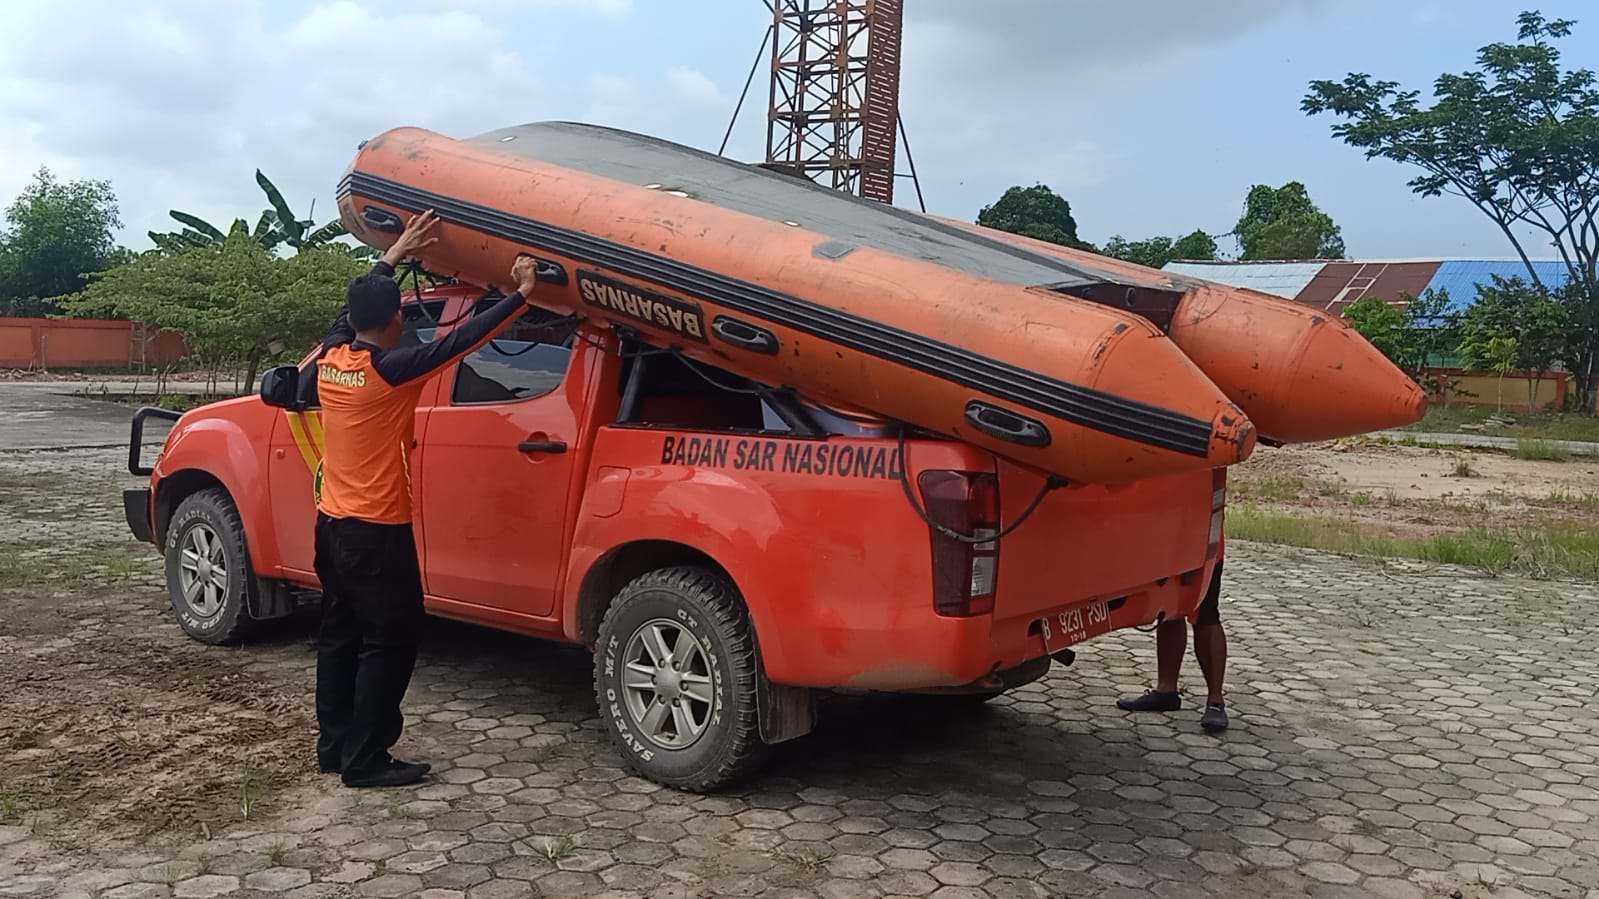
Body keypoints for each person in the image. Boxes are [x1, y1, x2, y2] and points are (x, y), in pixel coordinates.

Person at [313, 210, 543, 787]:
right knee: (390, 640)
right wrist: (521, 295)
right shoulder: (392, 370)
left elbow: (351, 311)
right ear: (394, 319)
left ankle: (336, 746)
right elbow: (463, 339)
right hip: (375, 531)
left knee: (341, 636)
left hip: (332, 527)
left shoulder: (331, 356)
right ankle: (366, 760)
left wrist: (391, 257)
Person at [1116, 559, 1229, 733]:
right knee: (1170, 609)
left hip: (1204, 546)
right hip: (1169, 547)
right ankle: (1166, 691)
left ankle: (1215, 701)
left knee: (1206, 614)